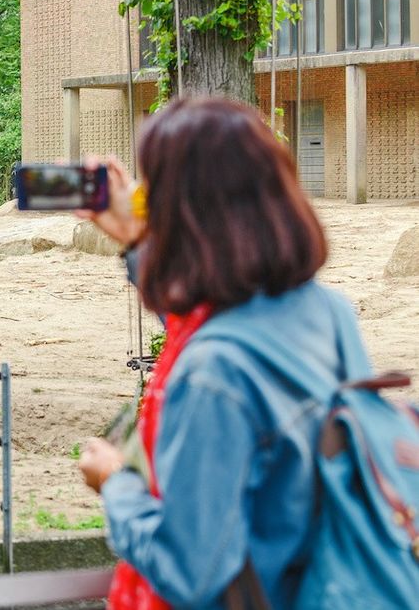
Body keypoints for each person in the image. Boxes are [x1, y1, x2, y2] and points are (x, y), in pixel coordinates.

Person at [76, 97, 371, 609]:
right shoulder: (328, 313)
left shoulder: (212, 374)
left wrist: (118, 485)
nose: (143, 201)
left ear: (184, 214)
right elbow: (213, 320)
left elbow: (189, 570)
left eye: (153, 192)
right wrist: (135, 241)